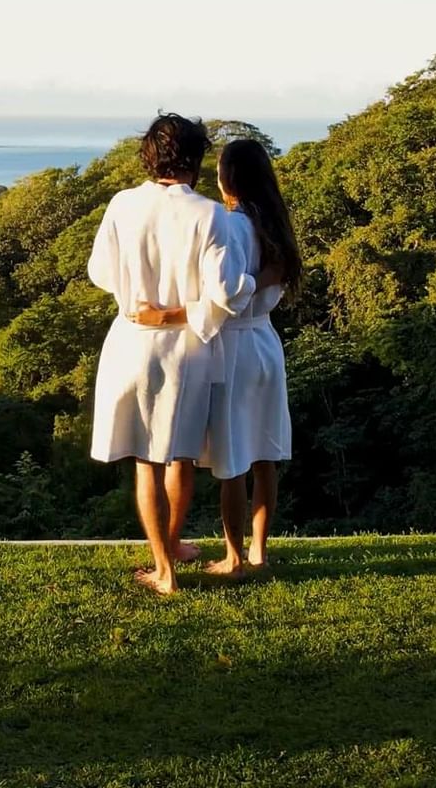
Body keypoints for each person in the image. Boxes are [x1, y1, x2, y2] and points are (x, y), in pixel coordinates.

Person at [87, 113, 257, 595]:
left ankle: (164, 565)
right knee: (179, 456)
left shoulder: (122, 204)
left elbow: (100, 271)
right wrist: (245, 284)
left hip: (131, 342)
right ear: (196, 160)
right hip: (186, 350)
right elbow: (227, 293)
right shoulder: (210, 216)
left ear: (148, 155)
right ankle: (174, 547)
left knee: (146, 460)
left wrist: (139, 294)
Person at [137, 138, 301, 577]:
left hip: (232, 347)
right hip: (266, 344)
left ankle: (232, 556)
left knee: (232, 462)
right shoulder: (277, 226)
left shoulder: (228, 226)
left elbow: (222, 297)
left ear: (227, 179)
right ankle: (260, 551)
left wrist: (164, 315)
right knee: (264, 455)